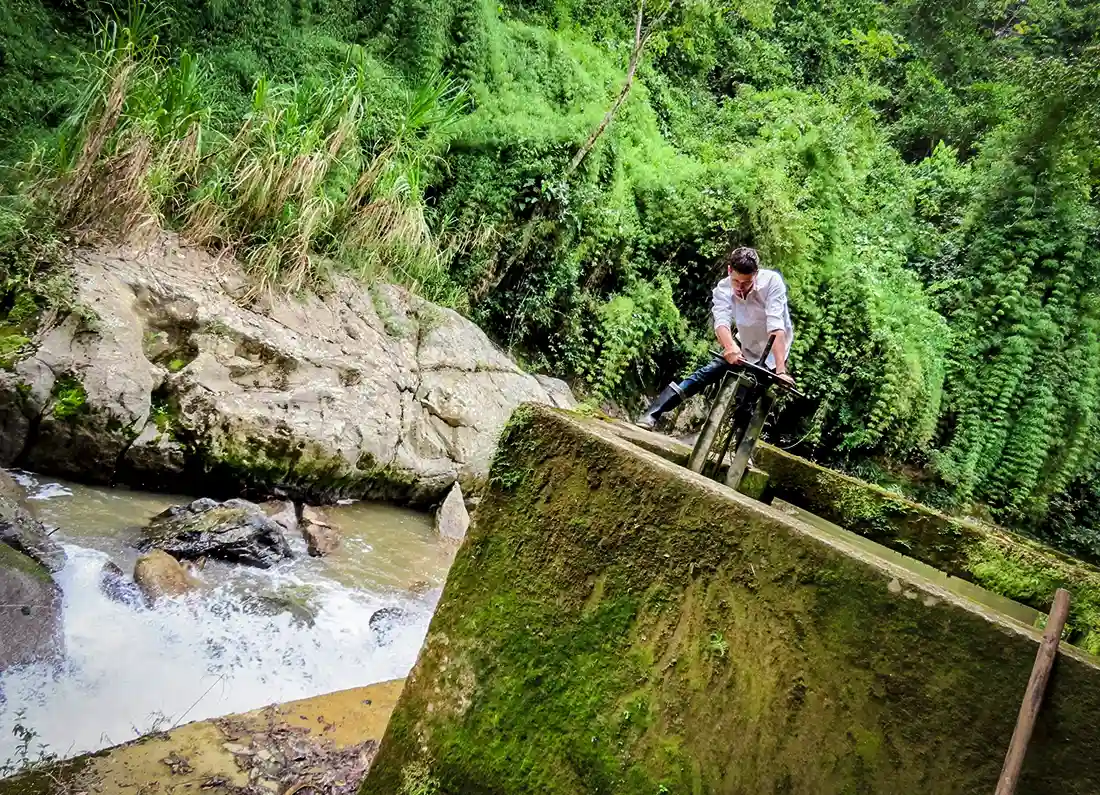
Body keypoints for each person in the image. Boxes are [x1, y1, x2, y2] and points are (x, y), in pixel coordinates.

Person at [635, 246, 794, 430]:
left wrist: (781, 371)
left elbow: (775, 326)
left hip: (773, 351)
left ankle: (740, 451)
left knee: (748, 400)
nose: (740, 288)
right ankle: (653, 413)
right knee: (706, 373)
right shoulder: (723, 289)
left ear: (756, 274)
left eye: (746, 283)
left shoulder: (772, 282)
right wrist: (730, 347)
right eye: (736, 281)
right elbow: (721, 323)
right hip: (743, 342)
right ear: (729, 271)